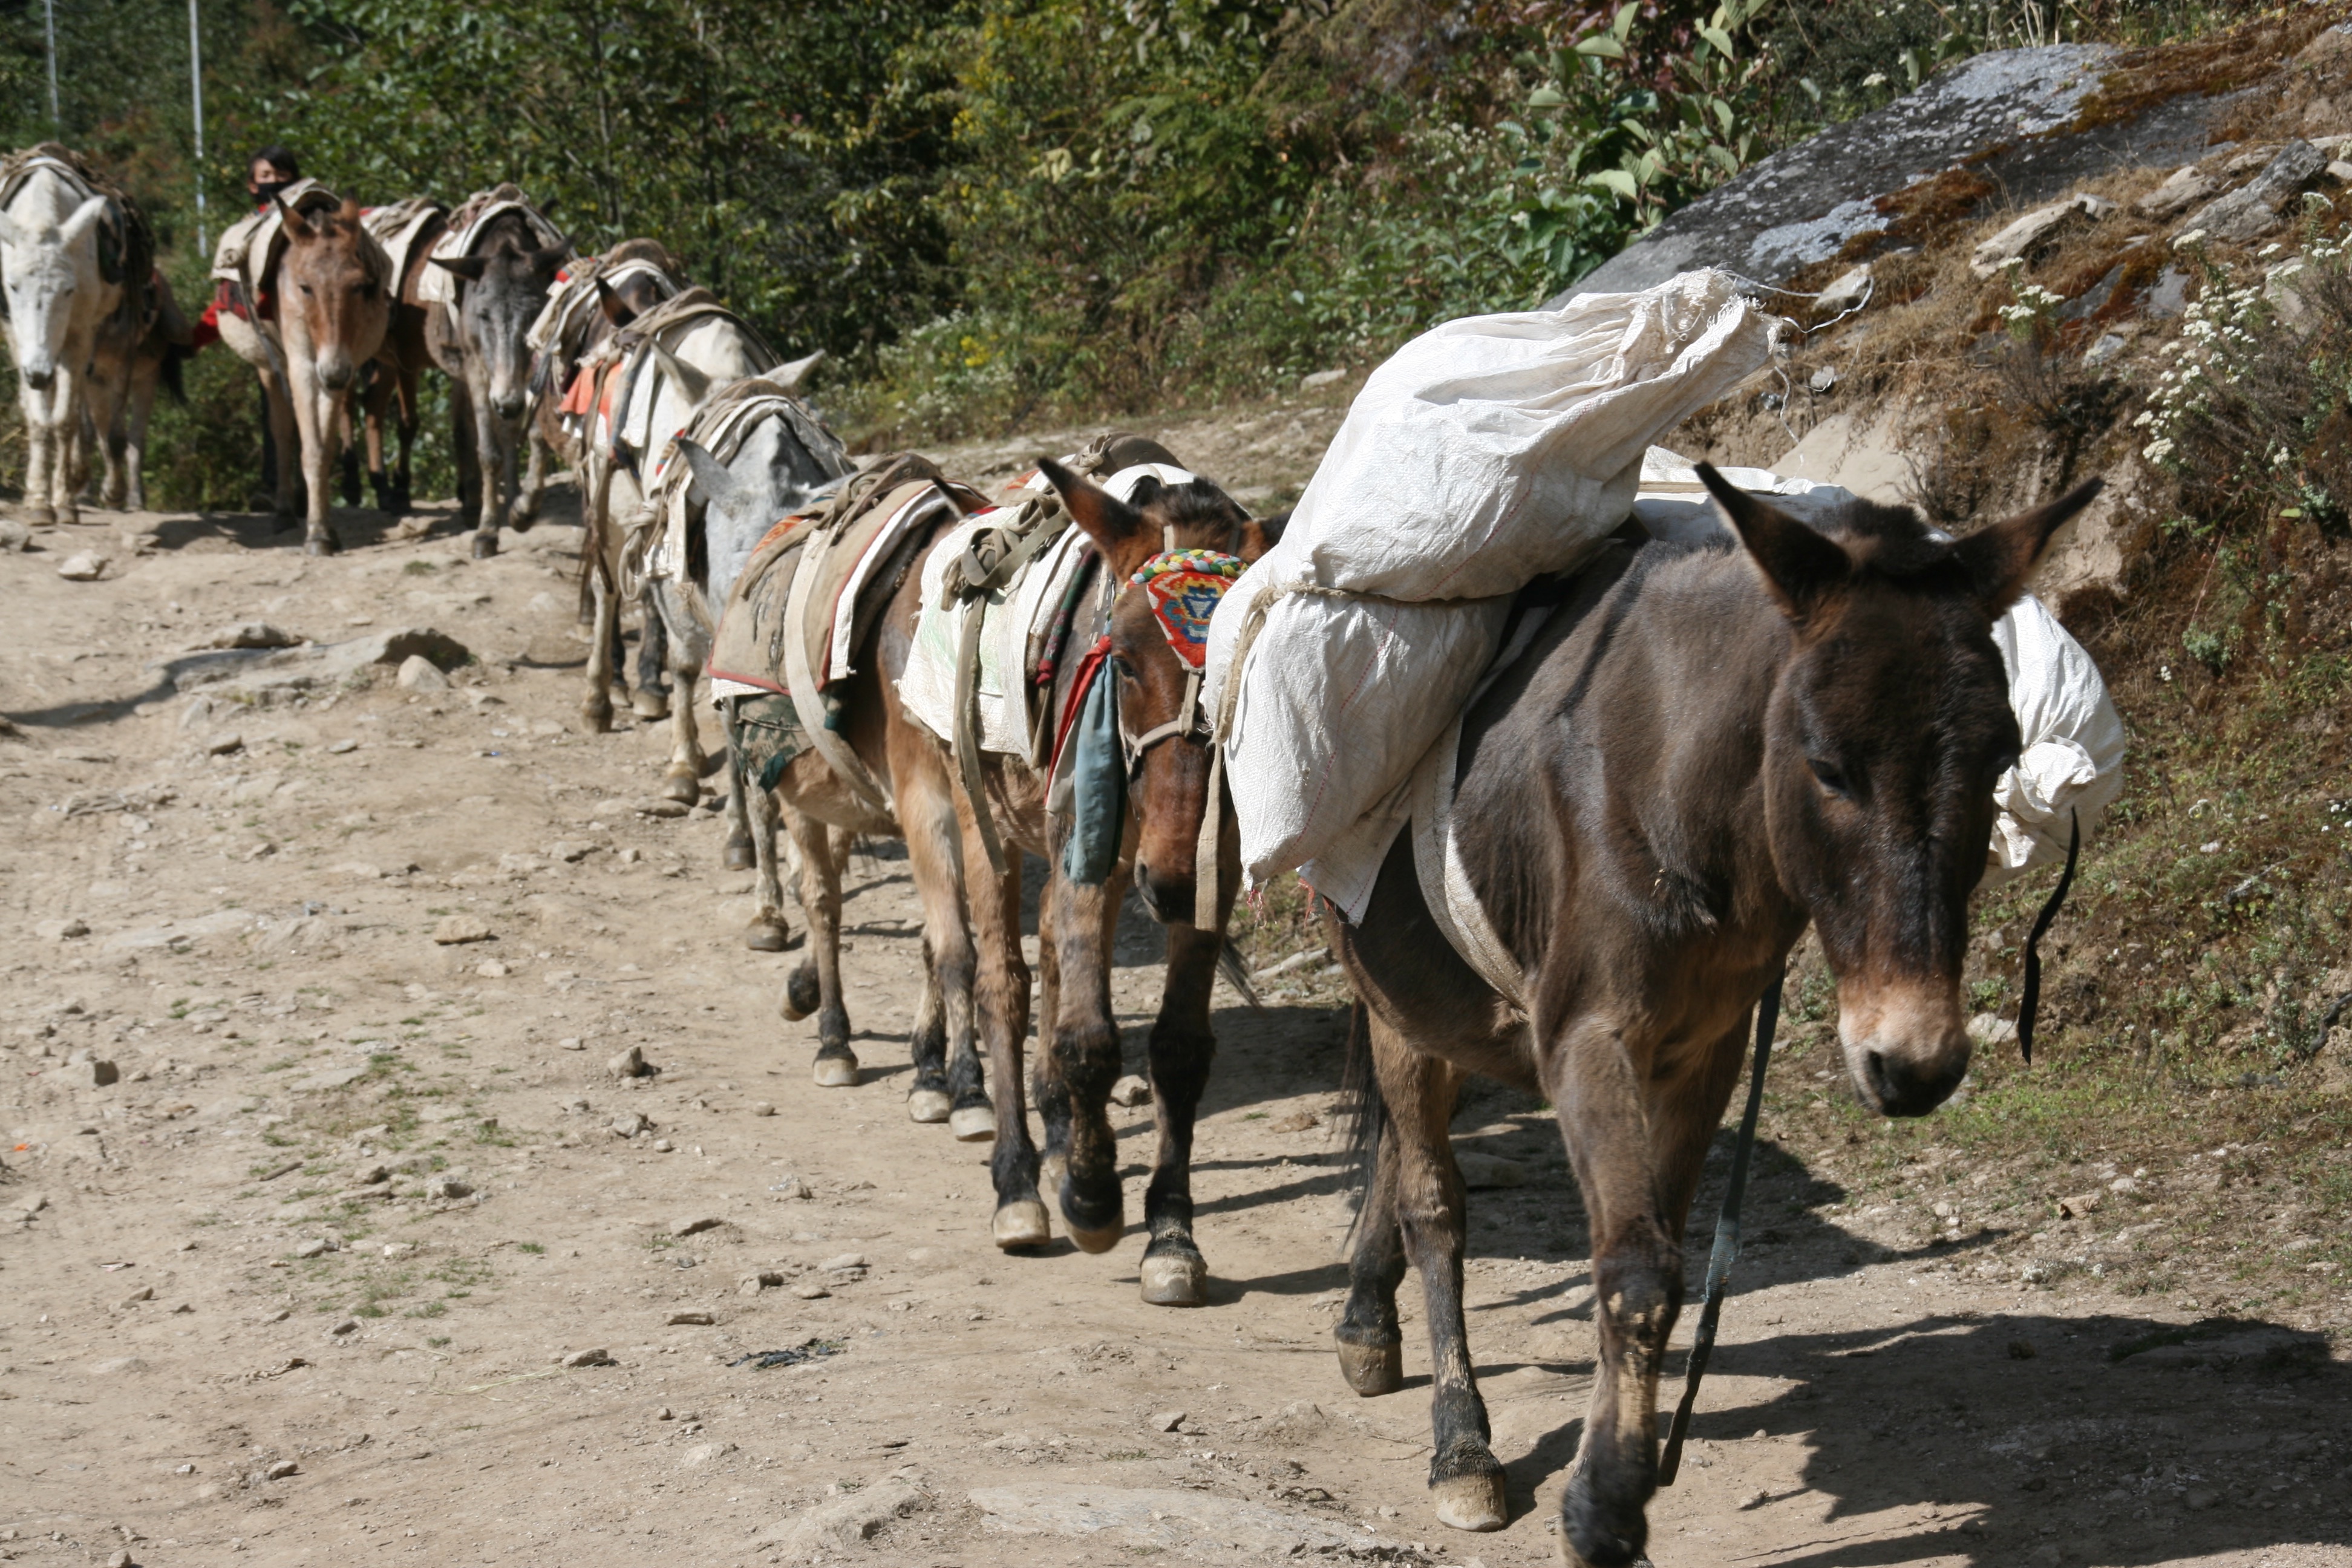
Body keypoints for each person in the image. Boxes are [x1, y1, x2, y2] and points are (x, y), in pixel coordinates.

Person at [191, 146, 303, 506]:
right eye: (266, 177)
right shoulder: (243, 236)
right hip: (270, 339)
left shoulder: (314, 227)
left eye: (281, 176)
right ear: (253, 185)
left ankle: (314, 488)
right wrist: (194, 340)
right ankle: (278, 486)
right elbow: (228, 299)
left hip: (310, 335)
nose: (274, 182)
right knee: (273, 411)